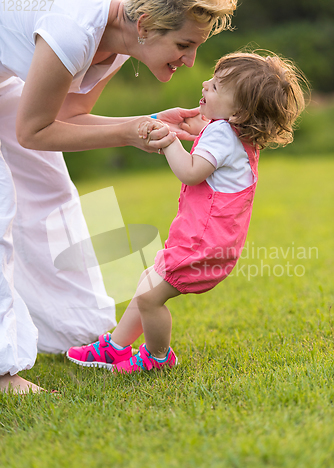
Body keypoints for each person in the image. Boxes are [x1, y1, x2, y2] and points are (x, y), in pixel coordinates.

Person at [0, 0, 238, 393]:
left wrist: (146, 123)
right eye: (183, 45)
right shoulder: (73, 30)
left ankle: (73, 329)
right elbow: (33, 132)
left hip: (5, 83)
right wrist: (128, 132)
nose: (191, 60)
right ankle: (4, 372)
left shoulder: (117, 43)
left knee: (51, 190)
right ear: (145, 25)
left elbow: (66, 118)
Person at [67, 50, 307, 374]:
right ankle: (116, 348)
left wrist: (169, 141)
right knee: (146, 282)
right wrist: (201, 125)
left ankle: (158, 357)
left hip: (201, 244)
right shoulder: (236, 133)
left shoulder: (223, 134)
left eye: (217, 87)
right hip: (208, 241)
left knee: (150, 297)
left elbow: (191, 171)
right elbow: (211, 142)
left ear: (239, 112)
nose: (206, 84)